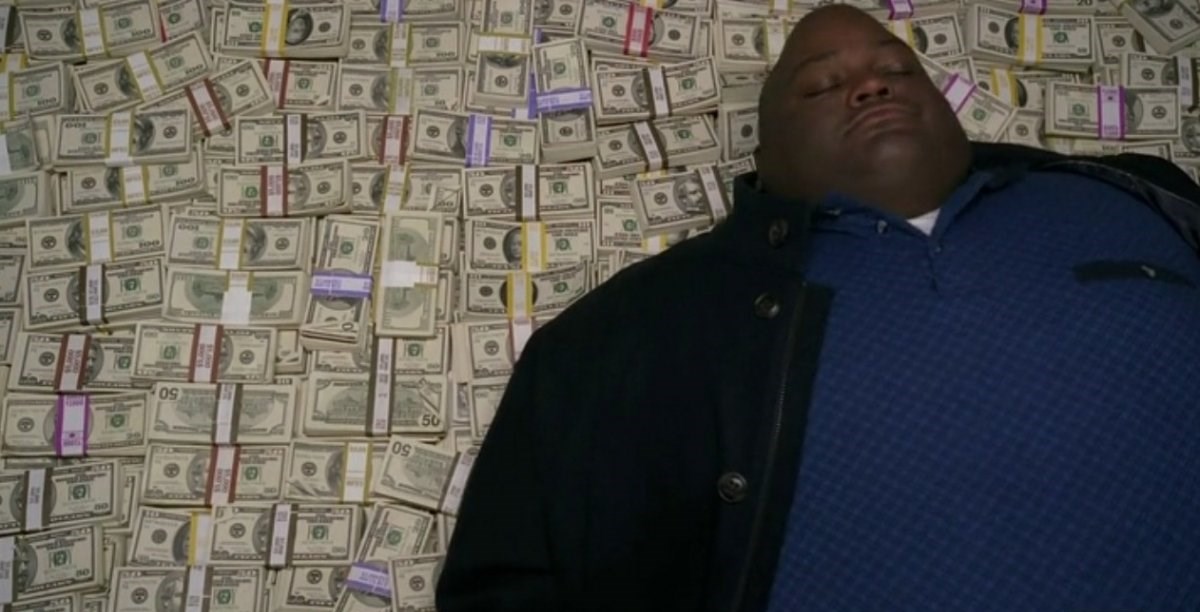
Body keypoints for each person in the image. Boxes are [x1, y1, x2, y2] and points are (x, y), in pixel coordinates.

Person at [438, 5, 1200, 611]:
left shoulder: (1140, 196)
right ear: (763, 159)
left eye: (897, 69)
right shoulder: (622, 332)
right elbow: (506, 584)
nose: (871, 86)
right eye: (821, 86)